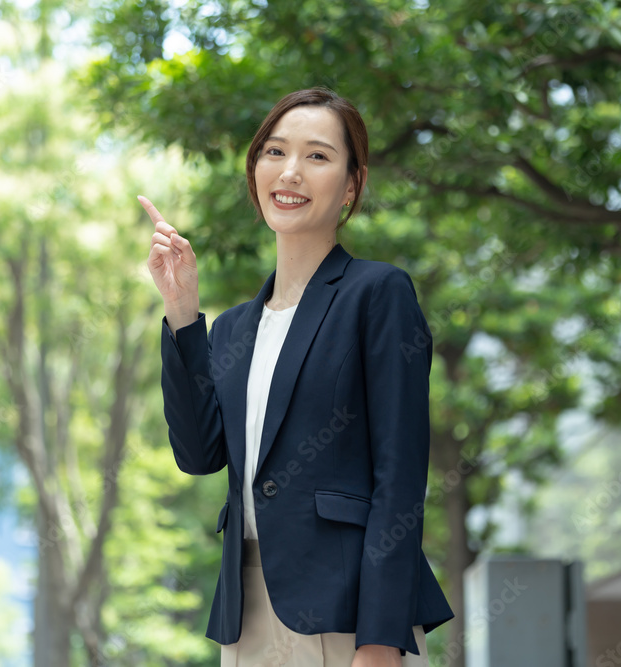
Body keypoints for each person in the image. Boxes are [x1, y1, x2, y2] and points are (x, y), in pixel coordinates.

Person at [141, 87, 454, 667]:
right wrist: (182, 309)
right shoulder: (233, 329)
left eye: (317, 156)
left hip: (348, 613)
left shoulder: (377, 294)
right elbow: (199, 455)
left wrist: (380, 639)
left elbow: (400, 476)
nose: (290, 171)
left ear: (352, 185)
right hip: (246, 617)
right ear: (255, 170)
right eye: (275, 151)